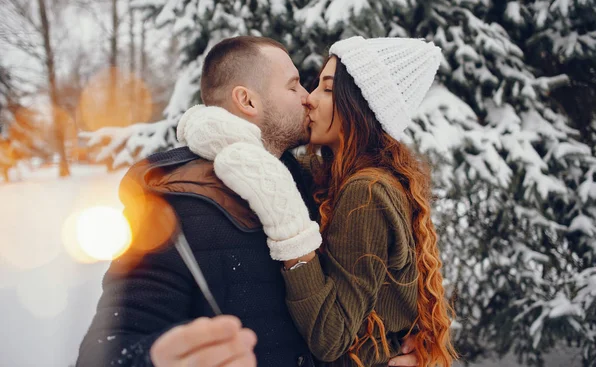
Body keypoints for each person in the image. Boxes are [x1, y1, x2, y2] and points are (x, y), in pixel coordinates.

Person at [76, 36, 418, 367]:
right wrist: (156, 360)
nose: (307, 98)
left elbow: (385, 273)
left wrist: (408, 341)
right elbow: (107, 349)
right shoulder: (175, 207)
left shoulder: (311, 183)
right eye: (294, 85)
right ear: (248, 101)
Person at [178, 36, 459, 366]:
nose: (309, 99)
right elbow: (263, 153)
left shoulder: (365, 191)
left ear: (359, 107)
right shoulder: (338, 177)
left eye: (327, 89)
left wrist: (291, 233)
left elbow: (331, 337)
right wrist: (206, 123)